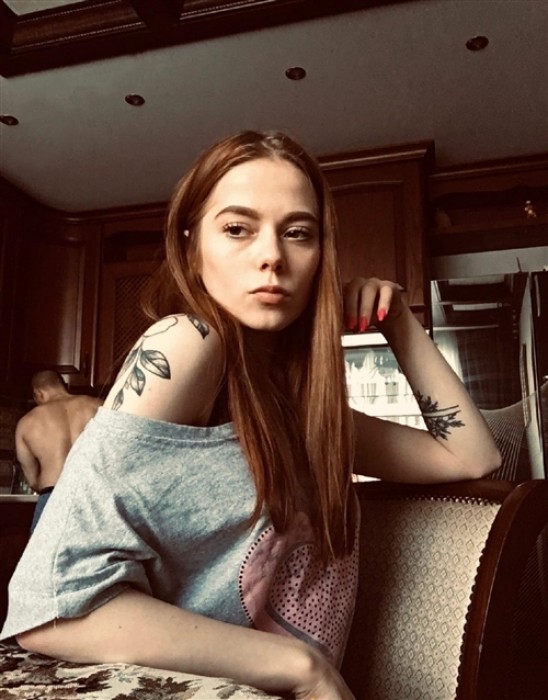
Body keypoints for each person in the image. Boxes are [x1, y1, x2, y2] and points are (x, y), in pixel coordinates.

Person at [1, 131, 500, 700]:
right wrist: (301, 667)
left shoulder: (303, 408)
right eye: (237, 228)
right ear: (192, 246)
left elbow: (471, 456)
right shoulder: (186, 344)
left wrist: (398, 323)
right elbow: (51, 608)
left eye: (298, 233)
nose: (272, 256)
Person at [14, 370, 102, 532]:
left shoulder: (26, 423)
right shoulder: (99, 407)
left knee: (44, 549)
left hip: (52, 496)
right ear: (63, 386)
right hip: (96, 495)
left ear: (38, 393)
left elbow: (33, 481)